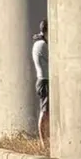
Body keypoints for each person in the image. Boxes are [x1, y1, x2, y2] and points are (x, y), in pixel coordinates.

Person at [32, 19, 49, 149]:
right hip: (45, 80)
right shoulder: (42, 44)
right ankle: (44, 143)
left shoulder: (41, 42)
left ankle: (46, 141)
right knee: (45, 112)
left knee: (47, 112)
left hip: (45, 80)